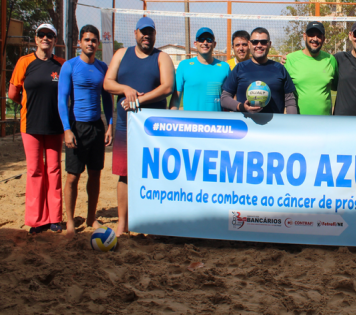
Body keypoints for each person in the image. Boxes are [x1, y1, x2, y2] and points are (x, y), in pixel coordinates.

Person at [103, 17, 175, 236]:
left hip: (154, 129)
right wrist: (126, 89)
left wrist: (138, 100)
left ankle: (153, 223)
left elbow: (167, 87)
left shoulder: (162, 57)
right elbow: (107, 83)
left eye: (150, 32)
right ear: (135, 33)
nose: (146, 36)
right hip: (126, 127)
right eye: (143, 32)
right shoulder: (121, 54)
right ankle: (122, 225)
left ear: (154, 35)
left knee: (156, 175)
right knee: (124, 175)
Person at [8, 23, 65, 234]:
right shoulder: (24, 62)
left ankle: (55, 218)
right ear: (35, 38)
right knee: (34, 171)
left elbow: (68, 93)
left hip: (54, 125)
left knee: (54, 170)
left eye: (50, 35)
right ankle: (37, 219)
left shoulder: (61, 64)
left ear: (55, 40)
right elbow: (13, 93)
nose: (46, 38)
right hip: (30, 124)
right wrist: (28, 103)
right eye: (42, 34)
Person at [57, 25, 113, 235]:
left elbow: (107, 99)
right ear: (79, 42)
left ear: (97, 44)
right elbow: (62, 99)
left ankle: (91, 217)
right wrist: (67, 129)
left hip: (96, 127)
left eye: (94, 40)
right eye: (87, 39)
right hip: (76, 127)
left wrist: (109, 125)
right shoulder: (69, 66)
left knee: (95, 174)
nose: (90, 43)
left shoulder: (102, 67)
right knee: (72, 176)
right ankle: (70, 220)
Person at [221, 27, 298, 114]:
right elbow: (224, 98)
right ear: (249, 44)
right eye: (255, 42)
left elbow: (290, 102)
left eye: (263, 42)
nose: (259, 45)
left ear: (269, 44)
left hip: (274, 126)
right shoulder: (239, 68)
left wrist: (292, 123)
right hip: (246, 126)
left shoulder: (280, 69)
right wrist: (242, 107)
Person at [170, 27, 230, 112]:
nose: (205, 43)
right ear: (195, 43)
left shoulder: (224, 67)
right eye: (201, 40)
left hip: (216, 123)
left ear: (214, 44)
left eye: (209, 40)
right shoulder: (184, 66)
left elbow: (230, 99)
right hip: (191, 123)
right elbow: (176, 100)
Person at [283, 21, 337, 115]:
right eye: (311, 35)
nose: (315, 39)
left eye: (319, 36)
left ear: (323, 39)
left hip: (325, 125)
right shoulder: (290, 60)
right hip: (298, 124)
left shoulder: (331, 60)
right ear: (305, 36)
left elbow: (336, 86)